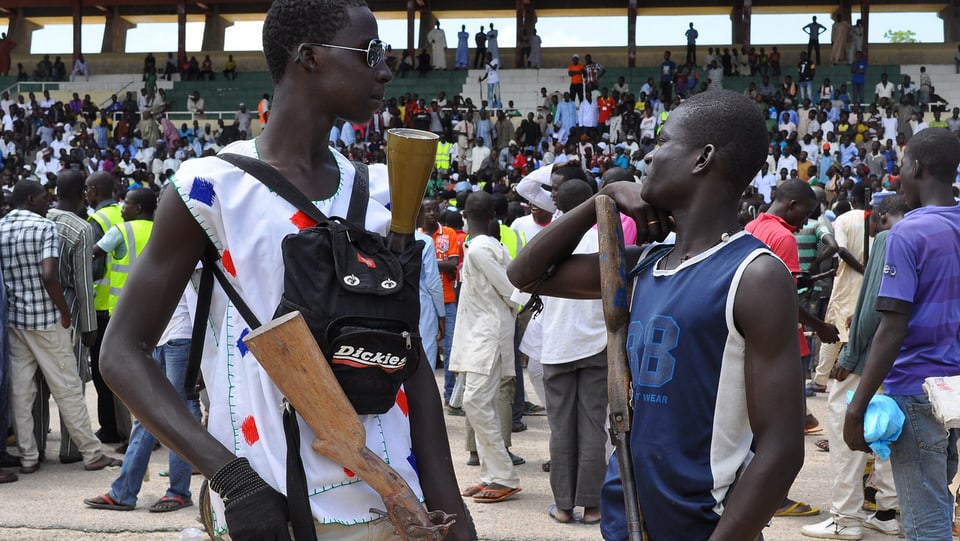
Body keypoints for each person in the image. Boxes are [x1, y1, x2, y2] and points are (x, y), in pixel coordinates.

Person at [98, 2, 473, 537]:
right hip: (271, 507)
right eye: (371, 53)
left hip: (391, 504)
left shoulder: (384, 193)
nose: (386, 70)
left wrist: (453, 513)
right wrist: (231, 478)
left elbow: (407, 363)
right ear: (309, 57)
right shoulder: (211, 189)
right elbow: (120, 353)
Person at [508, 90, 804, 541]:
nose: (649, 154)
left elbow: (782, 449)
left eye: (663, 142)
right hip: (625, 515)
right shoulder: (645, 261)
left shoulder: (755, 275)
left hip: (702, 526)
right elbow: (527, 274)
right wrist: (600, 200)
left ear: (701, 158)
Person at [844, 128, 960, 541]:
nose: (899, 178)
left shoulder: (908, 233)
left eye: (901, 169)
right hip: (955, 391)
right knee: (940, 502)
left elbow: (891, 327)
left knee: (925, 521)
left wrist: (856, 408)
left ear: (916, 167)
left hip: (916, 390)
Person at [800, 194, 907, 539]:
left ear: (879, 216)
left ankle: (844, 517)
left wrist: (849, 356)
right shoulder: (932, 233)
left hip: (869, 353)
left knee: (844, 420)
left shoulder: (890, 237)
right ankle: (887, 511)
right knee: (889, 427)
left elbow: (877, 305)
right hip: (904, 356)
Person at [0, 180, 122, 475]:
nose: (48, 201)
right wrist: (65, 312)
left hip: (15, 321)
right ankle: (92, 453)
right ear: (31, 199)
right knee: (67, 387)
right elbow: (49, 274)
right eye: (44, 197)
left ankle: (28, 457)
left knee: (22, 391)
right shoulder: (45, 228)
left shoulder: (1, 227)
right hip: (46, 319)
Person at [451, 191, 521, 505]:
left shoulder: (480, 250)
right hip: (481, 334)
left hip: (487, 335)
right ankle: (492, 476)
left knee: (477, 403)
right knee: (481, 404)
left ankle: (503, 477)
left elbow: (512, 293)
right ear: (493, 216)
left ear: (464, 215)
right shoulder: (484, 245)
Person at [36, 171, 97, 465]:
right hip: (68, 315)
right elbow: (84, 285)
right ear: (83, 193)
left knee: (37, 385)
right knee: (72, 383)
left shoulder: (38, 220)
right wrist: (89, 327)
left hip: (34, 311)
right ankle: (71, 449)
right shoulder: (81, 229)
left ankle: (35, 445)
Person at [84, 171, 131, 446]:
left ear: (93, 190)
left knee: (104, 374)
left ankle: (111, 428)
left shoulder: (97, 221)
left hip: (103, 304)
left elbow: (94, 265)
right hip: (127, 301)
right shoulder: (122, 213)